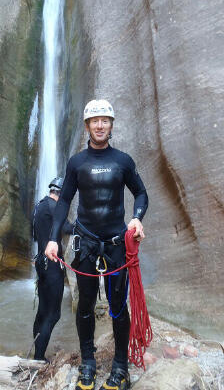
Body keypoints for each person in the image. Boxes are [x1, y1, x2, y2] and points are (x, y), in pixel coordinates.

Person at [45, 99, 148, 390]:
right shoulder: (77, 162)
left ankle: (120, 368)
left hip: (117, 244)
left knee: (117, 307)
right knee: (86, 305)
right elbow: (64, 200)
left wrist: (137, 219)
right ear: (88, 126)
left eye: (105, 120)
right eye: (95, 121)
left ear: (111, 125)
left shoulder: (123, 161)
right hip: (87, 243)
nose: (100, 125)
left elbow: (141, 194)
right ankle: (87, 363)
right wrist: (53, 239)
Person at [31, 177, 73, 361]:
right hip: (52, 264)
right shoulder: (55, 207)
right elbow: (67, 228)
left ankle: (36, 353)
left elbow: (35, 235)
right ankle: (39, 358)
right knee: (53, 314)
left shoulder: (39, 206)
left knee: (42, 311)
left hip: (40, 262)